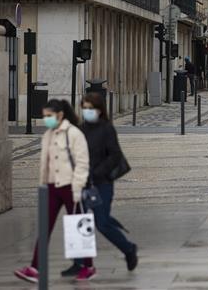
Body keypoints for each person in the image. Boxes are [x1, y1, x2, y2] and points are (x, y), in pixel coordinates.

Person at [14, 99, 94, 283]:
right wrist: (42, 184)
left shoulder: (74, 134)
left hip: (70, 186)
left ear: (60, 115)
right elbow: (45, 163)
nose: (46, 119)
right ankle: (35, 267)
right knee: (45, 226)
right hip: (51, 187)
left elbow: (82, 163)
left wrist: (78, 187)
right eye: (44, 116)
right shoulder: (48, 135)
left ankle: (88, 266)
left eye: (49, 116)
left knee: (78, 227)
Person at [60, 93, 138, 278]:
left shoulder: (107, 129)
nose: (87, 111)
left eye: (91, 108)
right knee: (80, 221)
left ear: (100, 109)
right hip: (82, 183)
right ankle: (79, 263)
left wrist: (97, 172)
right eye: (84, 108)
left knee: (101, 223)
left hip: (101, 184)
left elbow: (115, 155)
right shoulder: (80, 130)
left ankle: (128, 248)